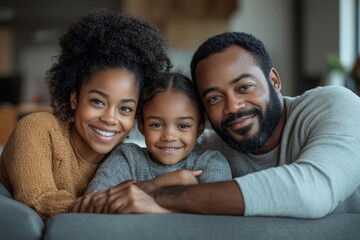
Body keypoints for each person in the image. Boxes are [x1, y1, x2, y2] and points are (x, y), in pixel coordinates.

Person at [72, 31, 360, 219]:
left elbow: (312, 192)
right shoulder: (211, 147)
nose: (233, 106)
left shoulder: (334, 105)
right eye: (214, 97)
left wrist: (160, 194)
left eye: (244, 86)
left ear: (274, 80)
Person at [0, 8, 171, 220]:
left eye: (125, 108)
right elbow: (39, 201)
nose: (109, 118)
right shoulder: (38, 129)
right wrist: (114, 204)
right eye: (97, 101)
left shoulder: (126, 157)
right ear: (74, 98)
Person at [85, 72, 232, 194]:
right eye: (156, 125)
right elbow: (92, 201)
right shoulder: (128, 158)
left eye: (183, 125)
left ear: (199, 128)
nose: (168, 136)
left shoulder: (210, 163)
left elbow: (217, 214)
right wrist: (158, 184)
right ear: (141, 125)